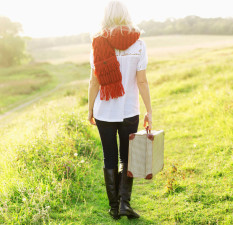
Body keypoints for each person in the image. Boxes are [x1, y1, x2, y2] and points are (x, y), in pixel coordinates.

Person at [87, 0, 152, 220]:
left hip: (104, 111)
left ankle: (113, 208)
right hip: (129, 110)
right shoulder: (139, 44)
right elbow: (142, 82)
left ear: (105, 16)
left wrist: (90, 110)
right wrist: (148, 111)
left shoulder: (98, 42)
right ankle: (125, 204)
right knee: (127, 158)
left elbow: (94, 82)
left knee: (109, 158)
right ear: (126, 15)